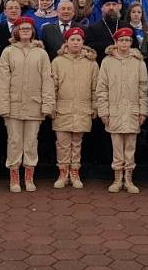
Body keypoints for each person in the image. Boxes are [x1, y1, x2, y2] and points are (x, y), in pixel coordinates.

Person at [0, 16, 55, 192]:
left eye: (29, 29)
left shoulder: (41, 53)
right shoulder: (8, 52)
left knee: (31, 142)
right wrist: (3, 105)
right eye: (22, 29)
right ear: (16, 31)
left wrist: (47, 105)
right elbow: (2, 81)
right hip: (13, 105)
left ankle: (29, 177)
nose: (26, 31)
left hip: (34, 105)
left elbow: (47, 80)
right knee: (14, 141)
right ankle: (14, 177)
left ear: (33, 31)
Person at [97, 28, 148, 194]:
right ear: (116, 42)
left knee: (130, 147)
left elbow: (143, 88)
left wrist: (143, 110)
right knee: (117, 146)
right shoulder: (107, 62)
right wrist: (103, 111)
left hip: (132, 110)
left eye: (127, 40)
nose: (124, 44)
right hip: (114, 111)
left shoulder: (139, 62)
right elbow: (102, 88)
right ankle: (117, 177)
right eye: (121, 40)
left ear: (131, 42)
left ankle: (129, 178)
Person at [51, 27, 99, 189]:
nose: (76, 42)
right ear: (67, 41)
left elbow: (95, 87)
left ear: (83, 42)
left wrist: (95, 106)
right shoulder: (58, 62)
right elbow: (53, 86)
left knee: (77, 143)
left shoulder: (91, 63)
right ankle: (63, 172)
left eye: (79, 39)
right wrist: (52, 107)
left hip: (82, 108)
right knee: (63, 143)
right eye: (72, 39)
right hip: (62, 108)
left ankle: (75, 172)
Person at [84, 0, 138, 66]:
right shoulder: (92, 29)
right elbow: (89, 54)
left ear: (118, 7)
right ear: (102, 8)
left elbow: (135, 49)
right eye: (108, 5)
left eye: (114, 4)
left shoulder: (127, 27)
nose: (111, 7)